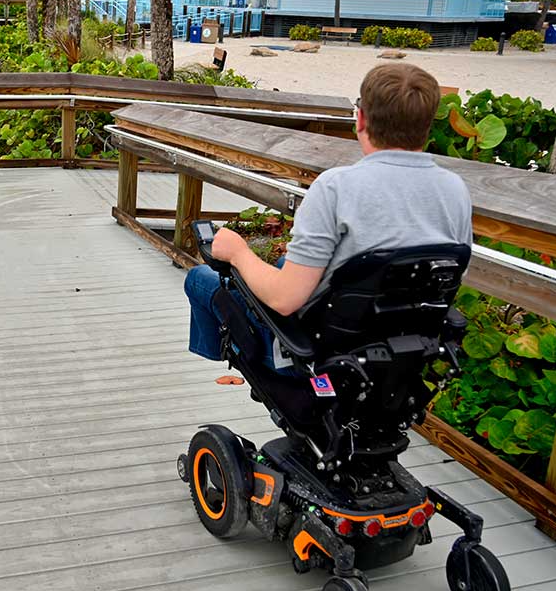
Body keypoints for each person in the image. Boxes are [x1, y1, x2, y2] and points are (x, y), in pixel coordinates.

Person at [184, 63, 473, 373]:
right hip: (402, 349)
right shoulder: (454, 190)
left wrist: (238, 252)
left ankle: (249, 362)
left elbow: (285, 300)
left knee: (201, 279)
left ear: (360, 119)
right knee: (286, 266)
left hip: (319, 354)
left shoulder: (337, 187)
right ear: (427, 126)